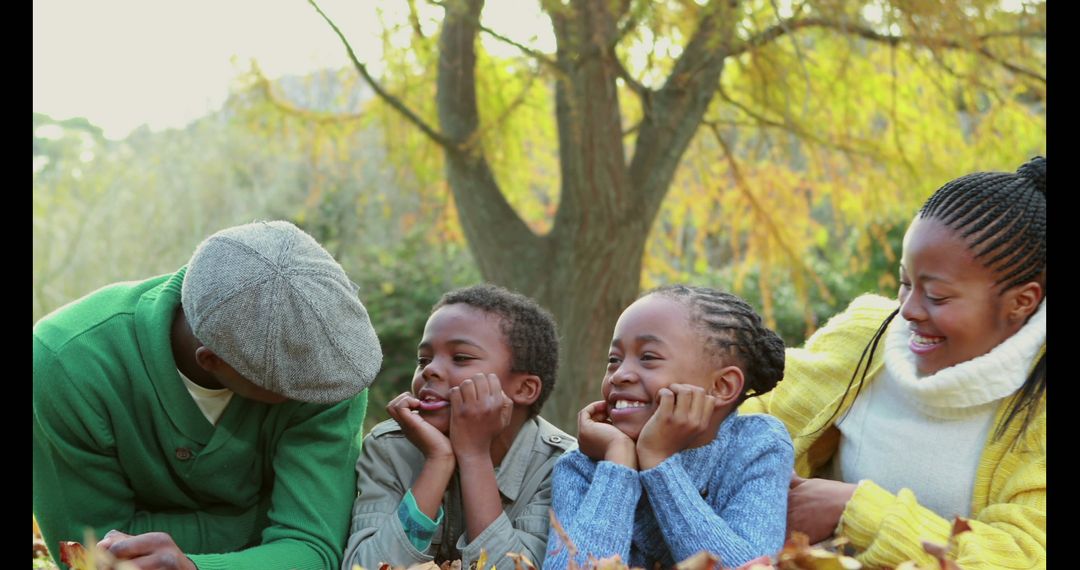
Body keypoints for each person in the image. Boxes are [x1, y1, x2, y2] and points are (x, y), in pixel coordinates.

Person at [741, 156, 1046, 568]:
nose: (908, 310)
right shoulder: (866, 338)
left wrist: (857, 510)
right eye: (905, 283)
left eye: (937, 296)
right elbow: (755, 417)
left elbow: (1025, 554)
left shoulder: (1038, 404)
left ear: (1021, 302)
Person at [33, 220, 384, 570]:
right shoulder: (65, 362)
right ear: (213, 360)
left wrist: (194, 566)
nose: (319, 390)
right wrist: (263, 525)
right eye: (293, 386)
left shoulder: (332, 363)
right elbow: (90, 557)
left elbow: (312, 551)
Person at [544, 285, 794, 569]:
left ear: (721, 386)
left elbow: (749, 566)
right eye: (614, 360)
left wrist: (659, 463)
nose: (620, 374)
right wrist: (618, 465)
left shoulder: (758, 445)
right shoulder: (582, 464)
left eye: (648, 357)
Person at [342, 284, 575, 570]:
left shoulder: (563, 466)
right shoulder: (389, 447)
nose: (429, 370)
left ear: (525, 389)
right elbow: (364, 567)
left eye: (461, 358)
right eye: (423, 360)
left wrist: (474, 455)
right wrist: (438, 461)